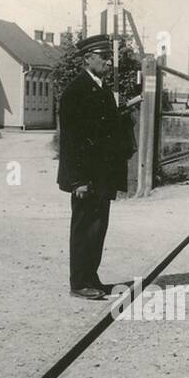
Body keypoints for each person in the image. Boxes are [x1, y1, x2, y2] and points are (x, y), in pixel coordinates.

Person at [57, 34, 132, 300]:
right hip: (86, 177)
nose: (109, 62)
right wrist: (77, 180)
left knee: (98, 228)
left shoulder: (100, 89)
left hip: (102, 175)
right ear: (88, 59)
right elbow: (71, 141)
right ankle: (78, 282)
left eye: (109, 58)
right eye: (104, 57)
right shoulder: (76, 92)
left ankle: (91, 277)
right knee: (83, 227)